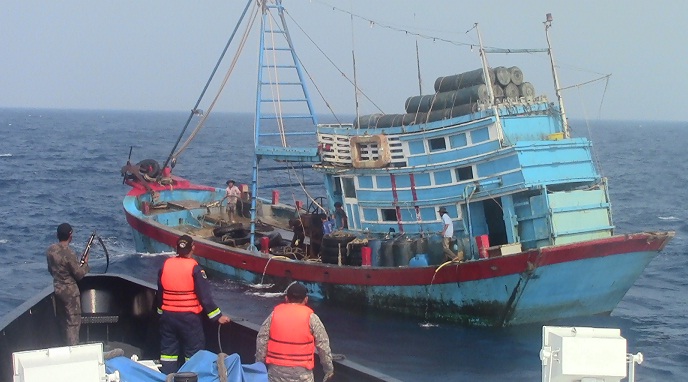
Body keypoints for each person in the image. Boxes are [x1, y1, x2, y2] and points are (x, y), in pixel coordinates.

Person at [157, 235, 231, 375]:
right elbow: (205, 297)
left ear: (177, 248)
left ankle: (166, 377)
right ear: (193, 248)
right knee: (193, 353)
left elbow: (160, 293)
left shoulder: (166, 265)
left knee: (168, 353)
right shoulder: (195, 268)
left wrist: (160, 313)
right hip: (189, 319)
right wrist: (217, 317)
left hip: (168, 317)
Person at [256, 282, 334, 382]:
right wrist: (328, 370)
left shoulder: (274, 315)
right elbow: (323, 345)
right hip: (302, 375)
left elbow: (261, 340)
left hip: (276, 373)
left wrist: (259, 363)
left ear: (286, 299)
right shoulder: (312, 318)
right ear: (306, 299)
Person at [46, 223, 90, 346]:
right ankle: (73, 350)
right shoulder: (69, 253)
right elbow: (79, 274)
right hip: (70, 294)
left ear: (57, 235)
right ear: (70, 236)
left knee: (62, 321)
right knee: (73, 323)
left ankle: (63, 346)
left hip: (58, 290)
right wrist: (85, 264)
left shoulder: (50, 251)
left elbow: (51, 270)